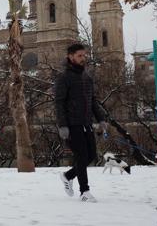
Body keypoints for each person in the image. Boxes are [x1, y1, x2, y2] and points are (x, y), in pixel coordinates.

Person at [55, 43, 108, 203]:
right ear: (70, 56)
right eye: (79, 55)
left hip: (86, 122)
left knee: (91, 155)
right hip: (72, 124)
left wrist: (101, 119)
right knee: (81, 156)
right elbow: (59, 103)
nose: (83, 58)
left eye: (84, 55)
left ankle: (68, 175)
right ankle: (84, 191)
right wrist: (62, 125)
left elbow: (92, 101)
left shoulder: (87, 77)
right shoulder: (64, 78)